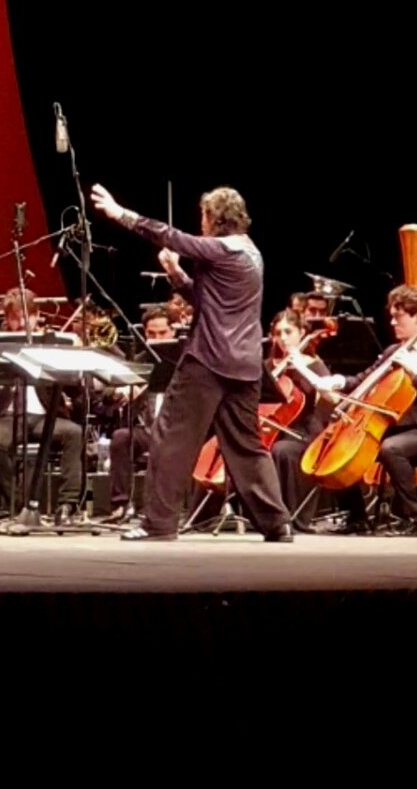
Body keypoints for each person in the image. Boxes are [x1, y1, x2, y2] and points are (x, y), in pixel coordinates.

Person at [90, 184, 292, 543]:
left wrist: (120, 213)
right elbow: (207, 300)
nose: (201, 222)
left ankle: (158, 524)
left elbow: (167, 234)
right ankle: (277, 522)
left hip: (209, 361)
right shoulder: (251, 252)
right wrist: (175, 273)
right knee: (247, 446)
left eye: (203, 215)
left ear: (214, 218)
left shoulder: (221, 248)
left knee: (171, 438)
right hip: (245, 365)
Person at [306, 285, 417, 534]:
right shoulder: (393, 351)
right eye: (391, 316)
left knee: (392, 449)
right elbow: (364, 379)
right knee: (342, 449)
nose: (392, 323)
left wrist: (416, 371)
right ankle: (357, 517)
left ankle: (413, 518)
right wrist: (338, 381)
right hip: (391, 425)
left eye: (398, 316)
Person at [0, 286, 83, 523]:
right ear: (7, 320)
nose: (21, 323)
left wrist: (73, 358)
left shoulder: (52, 344)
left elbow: (74, 386)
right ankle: (20, 506)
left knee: (74, 433)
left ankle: (66, 505)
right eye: (14, 318)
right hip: (9, 416)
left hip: (44, 416)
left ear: (36, 316)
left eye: (25, 317)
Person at [100, 306, 173, 522]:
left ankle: (166, 509)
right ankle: (121, 504)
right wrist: (121, 392)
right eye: (151, 334)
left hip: (178, 430)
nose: (157, 339)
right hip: (148, 430)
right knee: (122, 438)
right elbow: (107, 393)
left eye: (162, 333)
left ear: (173, 331)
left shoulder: (185, 362)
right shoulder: (140, 361)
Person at [265, 309, 333, 529]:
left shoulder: (313, 365)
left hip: (303, 432)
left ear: (302, 333)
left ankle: (288, 518)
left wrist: (302, 369)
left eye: (288, 332)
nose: (283, 338)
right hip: (271, 428)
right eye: (278, 333)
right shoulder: (268, 366)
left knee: (282, 451)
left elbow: (332, 398)